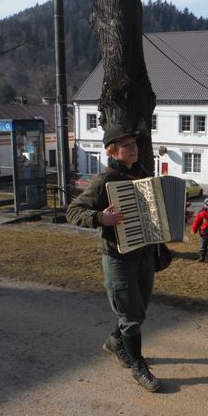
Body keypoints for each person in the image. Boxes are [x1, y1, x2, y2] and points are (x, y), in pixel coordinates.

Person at [65, 123, 161, 392]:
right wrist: (101, 218)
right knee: (131, 314)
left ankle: (115, 342)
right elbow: (73, 211)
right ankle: (138, 365)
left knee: (138, 309)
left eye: (134, 143)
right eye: (126, 145)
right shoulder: (103, 180)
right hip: (118, 257)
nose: (133, 148)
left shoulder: (143, 174)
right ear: (112, 151)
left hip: (144, 253)